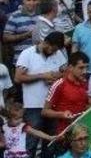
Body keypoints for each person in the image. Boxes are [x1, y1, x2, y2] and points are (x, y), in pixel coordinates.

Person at [14, 30, 67, 158]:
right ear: (46, 42)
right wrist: (42, 76)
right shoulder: (27, 53)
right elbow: (18, 77)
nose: (54, 52)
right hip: (33, 106)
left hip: (52, 106)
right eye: (52, 49)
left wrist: (56, 76)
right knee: (30, 143)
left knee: (50, 143)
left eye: (56, 50)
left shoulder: (58, 53)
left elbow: (65, 73)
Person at [42, 51, 90, 135]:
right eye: (81, 68)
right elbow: (45, 111)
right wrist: (62, 114)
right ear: (71, 67)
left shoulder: (85, 83)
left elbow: (84, 105)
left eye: (86, 68)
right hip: (64, 133)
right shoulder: (59, 84)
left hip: (81, 131)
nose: (85, 71)